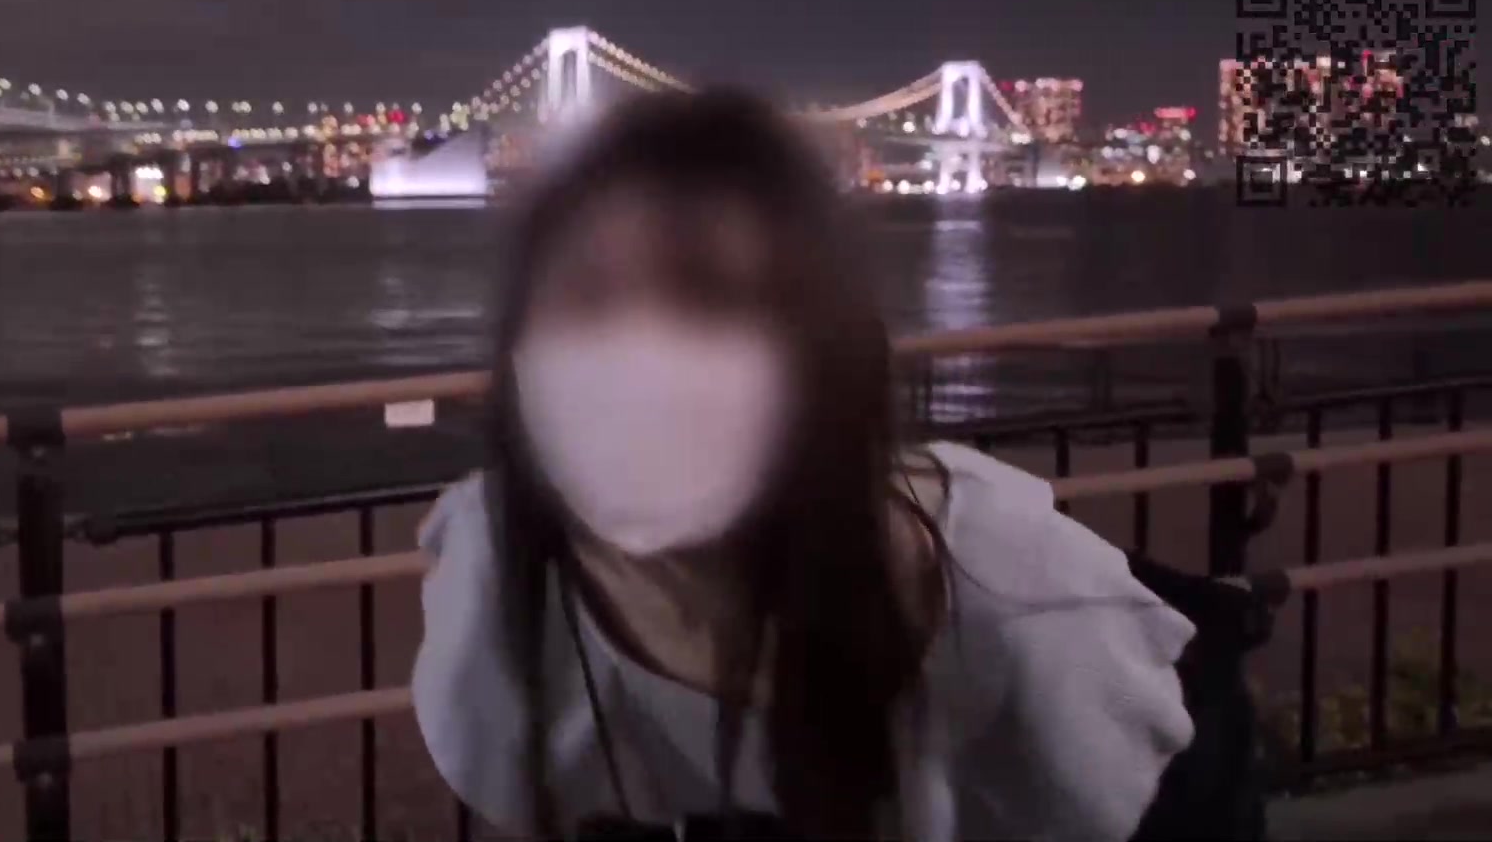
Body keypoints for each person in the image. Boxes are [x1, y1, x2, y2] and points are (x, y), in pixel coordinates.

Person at [411, 89, 1197, 841]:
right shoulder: (496, 578)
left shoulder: (1021, 613)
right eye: (585, 296)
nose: (639, 350)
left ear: (824, 353)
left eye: (710, 296)